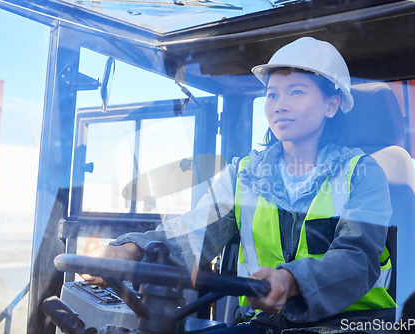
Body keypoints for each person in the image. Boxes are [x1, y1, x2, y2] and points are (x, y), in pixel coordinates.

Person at [82, 37, 396, 333]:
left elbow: (356, 259)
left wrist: (290, 280)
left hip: (346, 325)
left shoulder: (362, 173)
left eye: (296, 92)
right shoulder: (244, 174)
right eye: (272, 94)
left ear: (331, 105)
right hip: (266, 324)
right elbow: (192, 234)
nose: (279, 105)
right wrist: (129, 250)